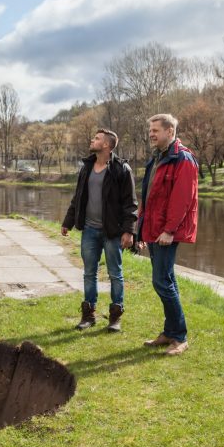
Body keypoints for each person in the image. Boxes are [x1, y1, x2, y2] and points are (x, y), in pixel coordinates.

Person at [62, 129, 137, 331]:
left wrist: (129, 231)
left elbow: (131, 204)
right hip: (89, 230)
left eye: (96, 138)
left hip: (113, 232)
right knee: (89, 273)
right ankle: (88, 316)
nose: (92, 140)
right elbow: (78, 198)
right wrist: (68, 222)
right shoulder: (86, 168)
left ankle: (115, 318)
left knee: (115, 274)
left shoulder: (122, 170)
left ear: (106, 145)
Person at [137, 114, 198, 355]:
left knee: (161, 281)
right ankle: (169, 332)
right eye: (150, 130)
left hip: (165, 232)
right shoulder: (158, 158)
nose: (151, 134)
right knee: (167, 280)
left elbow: (182, 199)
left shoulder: (183, 159)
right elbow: (148, 196)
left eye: (155, 130)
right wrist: (141, 229)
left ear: (170, 131)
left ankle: (180, 337)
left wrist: (169, 230)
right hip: (153, 229)